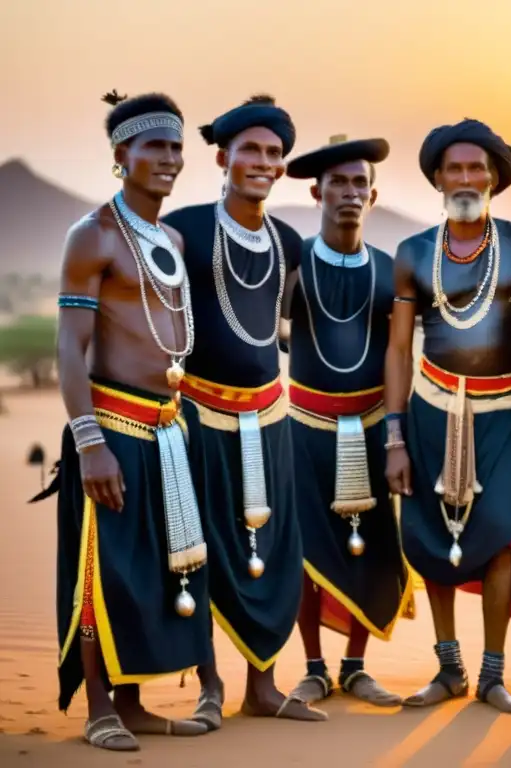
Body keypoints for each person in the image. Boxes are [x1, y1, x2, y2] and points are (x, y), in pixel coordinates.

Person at [37, 90, 212, 751]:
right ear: (121, 156)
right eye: (154, 147)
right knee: (102, 573)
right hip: (111, 428)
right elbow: (69, 345)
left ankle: (136, 705)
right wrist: (89, 443)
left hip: (168, 427)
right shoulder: (94, 235)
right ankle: (100, 709)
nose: (168, 159)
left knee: (152, 573)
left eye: (175, 147)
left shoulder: (168, 237)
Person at [162, 95, 324, 724]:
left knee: (276, 550)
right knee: (200, 551)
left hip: (271, 418)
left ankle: (265, 687)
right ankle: (209, 689)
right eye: (250, 150)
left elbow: (276, 324)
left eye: (274, 153)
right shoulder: (185, 229)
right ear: (223, 157)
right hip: (199, 417)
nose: (263, 162)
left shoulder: (287, 240)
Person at [383, 118, 511, 713]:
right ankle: (448, 667)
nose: (464, 177)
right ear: (436, 178)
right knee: (432, 537)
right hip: (430, 410)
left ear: (495, 177)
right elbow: (398, 350)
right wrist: (395, 438)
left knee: (501, 531)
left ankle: (493, 674)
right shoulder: (414, 252)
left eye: (476, 166)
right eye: (452, 167)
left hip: (505, 414)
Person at [280, 135, 413, 707]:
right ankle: (313, 668)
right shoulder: (291, 266)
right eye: (339, 183)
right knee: (308, 556)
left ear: (375, 195)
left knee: (374, 552)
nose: (350, 193)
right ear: (316, 192)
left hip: (374, 431)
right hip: (304, 429)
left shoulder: (391, 272)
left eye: (360, 183)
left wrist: (398, 437)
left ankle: (356, 667)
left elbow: (401, 355)